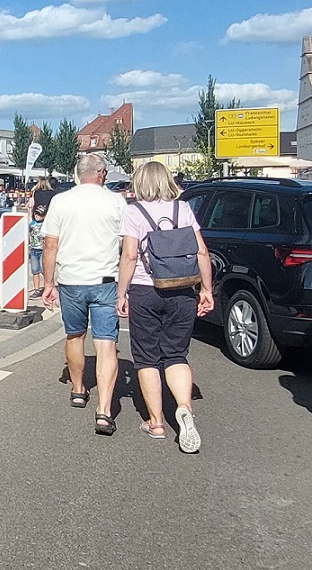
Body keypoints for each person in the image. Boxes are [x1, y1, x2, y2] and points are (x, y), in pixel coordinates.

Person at [115, 162, 213, 451]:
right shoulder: (183, 209)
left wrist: (121, 294)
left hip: (145, 290)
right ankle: (184, 407)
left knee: (146, 357)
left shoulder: (134, 212)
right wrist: (206, 289)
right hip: (182, 288)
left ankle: (156, 422)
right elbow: (201, 251)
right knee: (176, 354)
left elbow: (129, 256)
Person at [40, 154, 128, 415]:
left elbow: (50, 245)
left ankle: (78, 389)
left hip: (71, 280)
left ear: (79, 174)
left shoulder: (60, 201)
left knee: (75, 336)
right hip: (106, 281)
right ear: (101, 173)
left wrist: (48, 283)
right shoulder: (116, 201)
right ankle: (104, 410)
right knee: (106, 343)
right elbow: (127, 245)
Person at [26, 178, 55, 297]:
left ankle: (37, 289)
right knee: (44, 268)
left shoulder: (35, 193)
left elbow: (30, 207)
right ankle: (49, 284)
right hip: (43, 243)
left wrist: (31, 214)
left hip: (34, 246)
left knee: (35, 270)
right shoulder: (52, 194)